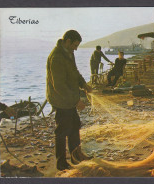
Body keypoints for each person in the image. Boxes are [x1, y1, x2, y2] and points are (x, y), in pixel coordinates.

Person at [46, 30, 92, 170]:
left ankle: (76, 156)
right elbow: (59, 85)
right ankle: (61, 163)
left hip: (69, 98)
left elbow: (75, 71)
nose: (76, 49)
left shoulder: (68, 53)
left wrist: (83, 84)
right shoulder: (57, 57)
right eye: (75, 45)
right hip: (60, 99)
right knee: (62, 131)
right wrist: (75, 101)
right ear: (67, 41)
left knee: (75, 125)